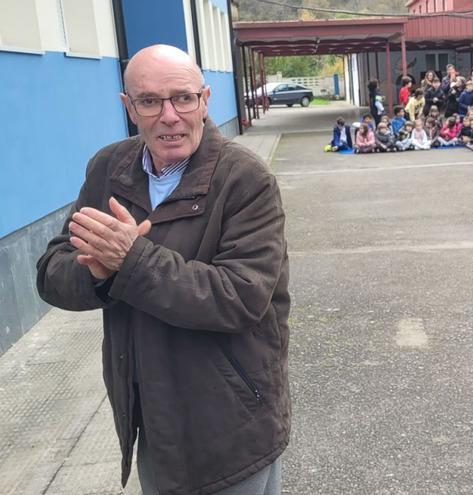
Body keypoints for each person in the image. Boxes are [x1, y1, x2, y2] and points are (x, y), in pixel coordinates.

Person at [35, 44, 290, 494]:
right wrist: (97, 274)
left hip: (228, 420)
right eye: (150, 101)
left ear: (205, 100)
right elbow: (53, 269)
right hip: (150, 415)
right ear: (128, 107)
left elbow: (240, 297)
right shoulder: (109, 168)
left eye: (183, 98)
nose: (169, 115)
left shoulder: (244, 180)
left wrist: (129, 261)